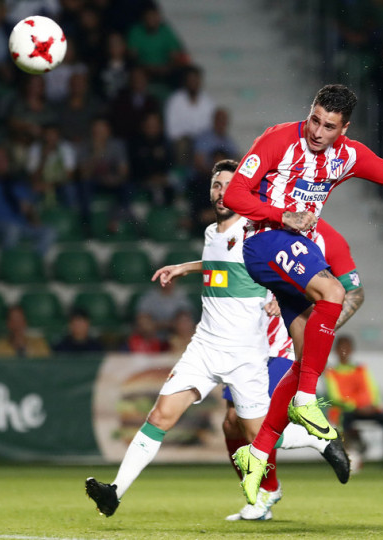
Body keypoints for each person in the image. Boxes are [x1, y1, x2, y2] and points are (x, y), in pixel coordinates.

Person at [221, 83, 383, 505]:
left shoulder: (350, 156)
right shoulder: (277, 140)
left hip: (291, 251)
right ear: (309, 112)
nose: (317, 132)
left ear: (344, 128)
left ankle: (258, 453)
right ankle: (308, 400)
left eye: (329, 126)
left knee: (306, 354)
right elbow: (235, 193)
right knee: (333, 290)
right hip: (264, 241)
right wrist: (282, 214)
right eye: (314, 120)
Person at [85, 160, 346, 519]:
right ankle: (114, 493)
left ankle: (319, 439)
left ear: (244, 190)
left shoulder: (260, 232)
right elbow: (219, 263)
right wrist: (184, 267)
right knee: (161, 415)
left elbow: (295, 270)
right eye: (216, 185)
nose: (220, 192)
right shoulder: (212, 233)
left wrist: (281, 295)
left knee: (260, 437)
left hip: (245, 355)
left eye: (228, 185)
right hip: (204, 347)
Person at [222, 217, 365, 520]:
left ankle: (270, 490)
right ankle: (271, 485)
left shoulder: (328, 237)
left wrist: (318, 332)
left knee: (249, 422)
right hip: (248, 339)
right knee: (230, 422)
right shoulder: (254, 228)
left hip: (285, 342)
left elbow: (354, 292)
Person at [325, 334, 383, 471]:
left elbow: (373, 389)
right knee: (345, 419)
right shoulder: (331, 373)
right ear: (336, 351)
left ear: (352, 350)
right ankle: (346, 456)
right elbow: (334, 397)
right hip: (347, 411)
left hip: (366, 409)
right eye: (341, 348)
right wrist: (356, 406)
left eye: (347, 348)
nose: (344, 352)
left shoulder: (361, 369)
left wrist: (373, 405)